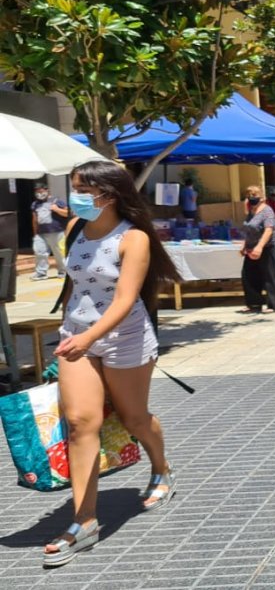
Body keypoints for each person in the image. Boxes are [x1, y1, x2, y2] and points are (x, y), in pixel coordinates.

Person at [44, 159, 182, 567]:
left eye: (82, 190)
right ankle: (83, 521)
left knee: (134, 419)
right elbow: (76, 285)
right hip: (77, 339)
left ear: (108, 194)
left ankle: (161, 469)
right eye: (74, 189)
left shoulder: (133, 238)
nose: (75, 198)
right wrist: (70, 333)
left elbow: (124, 300)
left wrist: (89, 336)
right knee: (81, 423)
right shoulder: (75, 229)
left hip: (125, 339)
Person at [239, 185, 275, 314]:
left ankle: (273, 304)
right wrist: (244, 245)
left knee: (269, 276)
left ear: (261, 197)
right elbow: (248, 230)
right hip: (250, 248)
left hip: (266, 247)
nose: (251, 198)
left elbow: (268, 230)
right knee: (248, 275)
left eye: (254, 195)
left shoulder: (267, 211)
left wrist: (259, 247)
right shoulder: (251, 212)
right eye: (249, 195)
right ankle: (254, 303)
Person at [30, 182, 68, 280]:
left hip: (56, 231)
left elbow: (67, 213)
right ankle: (41, 273)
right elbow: (35, 219)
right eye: (37, 192)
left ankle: (63, 272)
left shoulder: (57, 201)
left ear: (47, 190)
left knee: (59, 253)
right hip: (41, 233)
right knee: (39, 252)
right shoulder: (35, 204)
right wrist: (35, 234)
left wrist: (56, 209)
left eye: (41, 191)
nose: (39, 193)